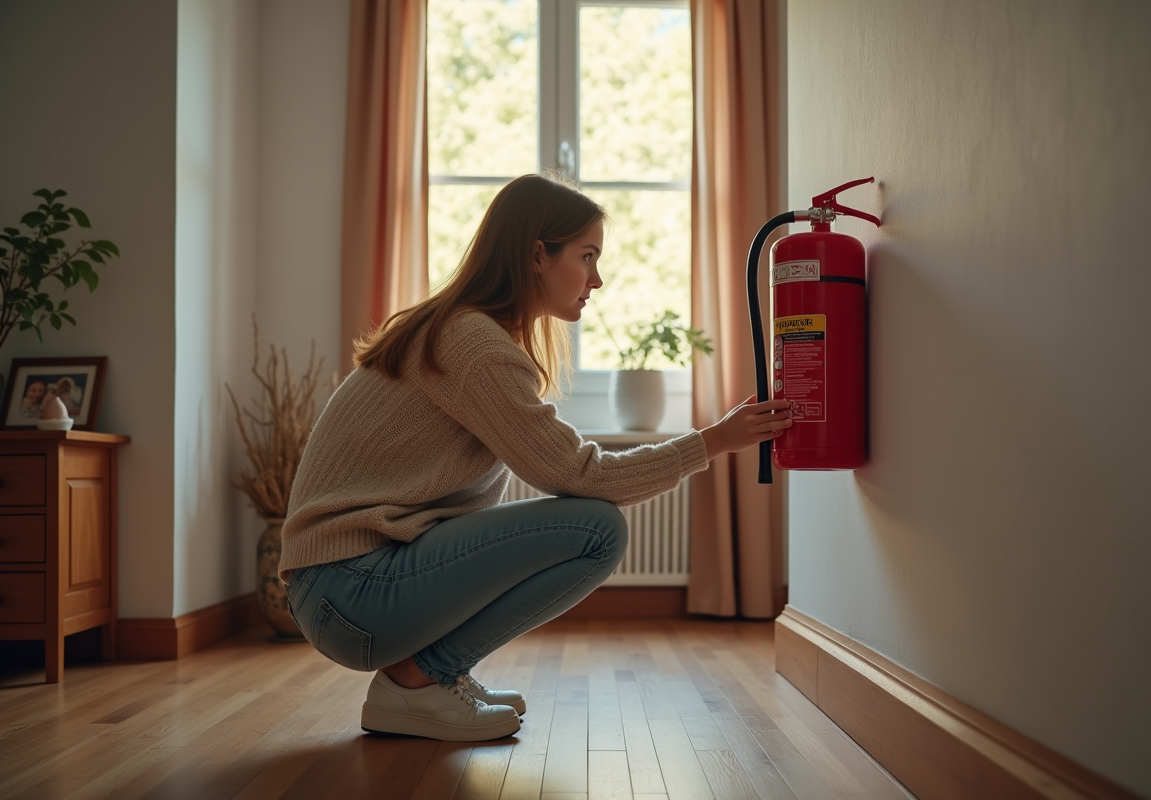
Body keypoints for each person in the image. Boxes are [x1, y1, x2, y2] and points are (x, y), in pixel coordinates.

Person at [280, 172, 792, 743]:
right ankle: (418, 681)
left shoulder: (464, 331)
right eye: (587, 256)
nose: (598, 279)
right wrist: (714, 441)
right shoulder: (474, 344)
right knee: (597, 528)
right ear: (538, 255)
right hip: (350, 593)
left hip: (339, 589)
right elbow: (580, 475)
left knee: (585, 523)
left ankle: (427, 677)